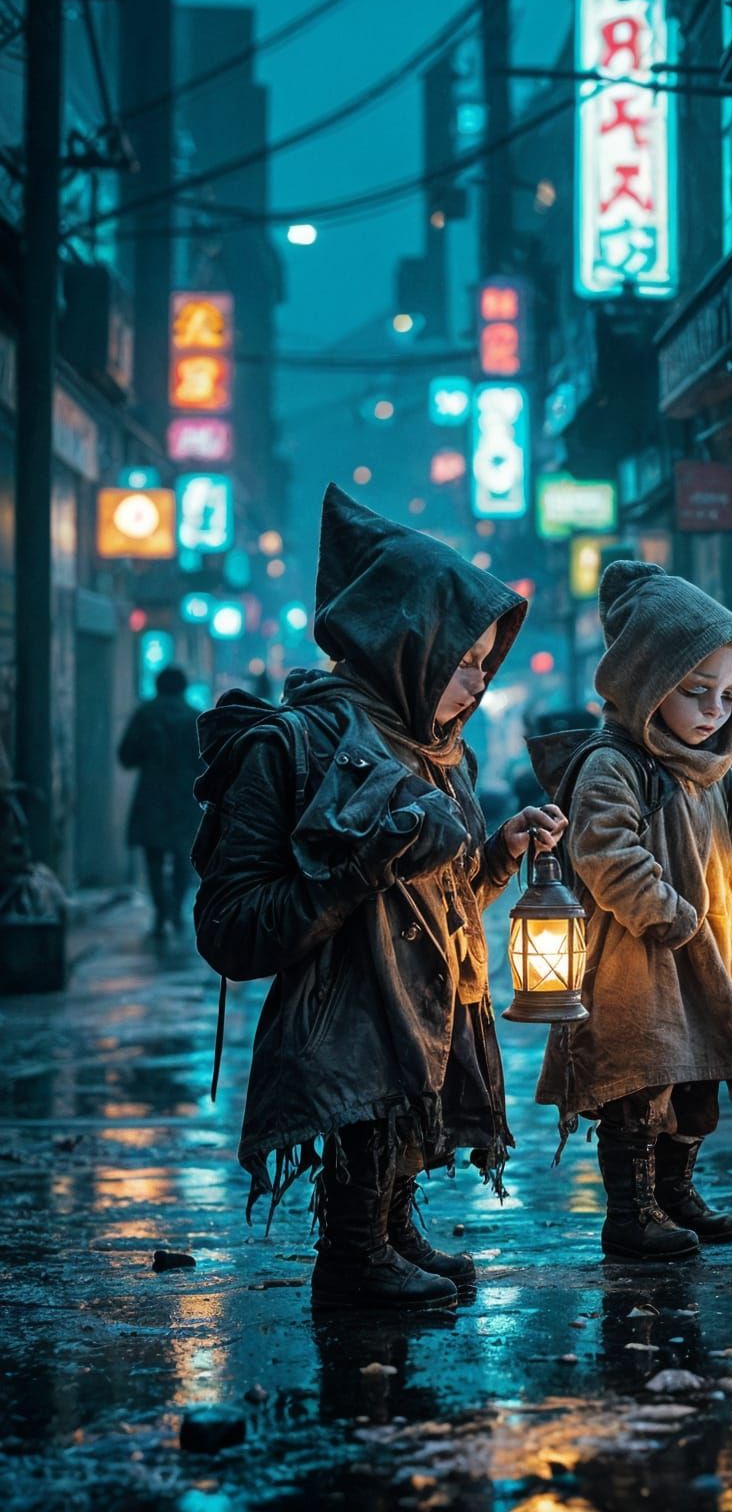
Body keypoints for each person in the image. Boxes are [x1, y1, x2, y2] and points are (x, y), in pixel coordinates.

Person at [192, 484, 566, 1312]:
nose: (479, 684)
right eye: (463, 661)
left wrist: (500, 853)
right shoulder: (294, 745)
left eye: (485, 664)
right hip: (342, 1021)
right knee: (369, 1095)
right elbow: (228, 925)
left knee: (406, 1104)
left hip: (428, 1017)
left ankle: (389, 1225)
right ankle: (353, 1247)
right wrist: (357, 870)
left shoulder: (442, 753)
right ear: (406, 645)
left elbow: (445, 901)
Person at [529, 561, 732, 1261]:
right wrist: (672, 916)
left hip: (704, 961)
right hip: (640, 961)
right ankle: (631, 1212)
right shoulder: (612, 764)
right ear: (646, 682)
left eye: (728, 694)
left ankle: (676, 1192)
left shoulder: (711, 773)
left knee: (695, 1083)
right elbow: (604, 852)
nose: (715, 709)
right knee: (640, 1082)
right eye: (696, 690)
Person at [117, 666, 202, 937]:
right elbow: (205, 761)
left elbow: (126, 755)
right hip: (185, 797)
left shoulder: (145, 714)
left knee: (153, 855)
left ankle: (160, 910)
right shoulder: (194, 717)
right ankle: (175, 909)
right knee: (183, 855)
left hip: (152, 794)